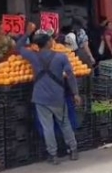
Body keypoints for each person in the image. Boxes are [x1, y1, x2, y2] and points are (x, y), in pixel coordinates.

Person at [16, 23, 81, 165]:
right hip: (57, 96)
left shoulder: (33, 56)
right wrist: (75, 93)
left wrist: (27, 33)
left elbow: (18, 48)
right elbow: (70, 75)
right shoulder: (61, 57)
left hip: (40, 97)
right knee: (64, 123)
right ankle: (73, 149)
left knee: (47, 127)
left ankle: (53, 155)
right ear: (47, 43)